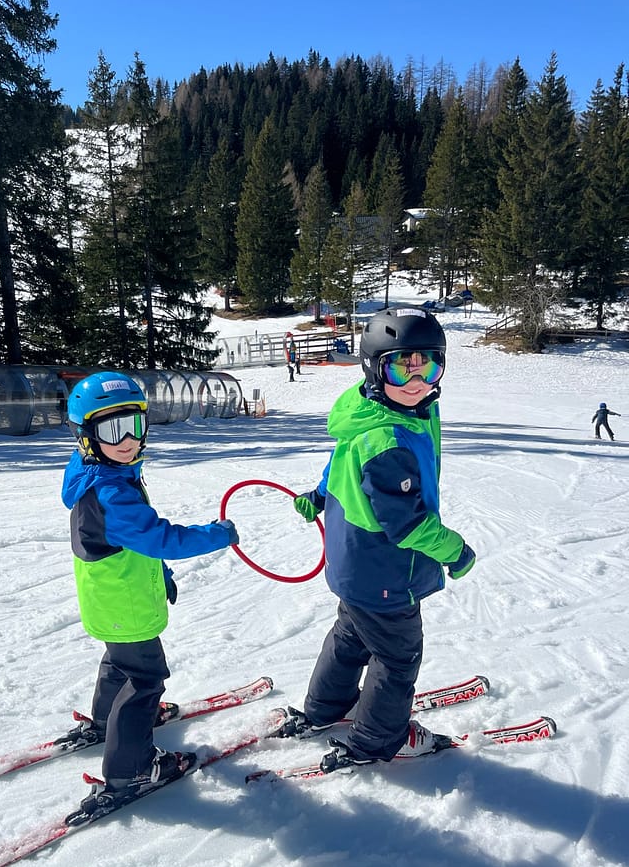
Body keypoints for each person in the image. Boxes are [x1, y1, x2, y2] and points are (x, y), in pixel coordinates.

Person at [285, 308, 476, 770]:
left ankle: (327, 708)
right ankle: (377, 739)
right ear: (374, 368)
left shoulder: (375, 410)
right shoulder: (386, 439)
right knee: (397, 656)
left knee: (351, 635)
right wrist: (455, 551)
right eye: (400, 369)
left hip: (355, 566)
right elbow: (408, 526)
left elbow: (342, 460)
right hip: (386, 571)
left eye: (428, 367)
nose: (416, 382)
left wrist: (321, 493)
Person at [61, 371, 239, 817]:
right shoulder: (111, 492)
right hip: (126, 604)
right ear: (86, 436)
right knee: (145, 680)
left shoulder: (101, 472)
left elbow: (138, 545)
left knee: (120, 662)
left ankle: (108, 720)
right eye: (111, 430)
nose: (127, 441)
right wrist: (216, 535)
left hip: (110, 601)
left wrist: (160, 573)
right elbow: (159, 537)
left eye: (134, 426)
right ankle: (131, 769)